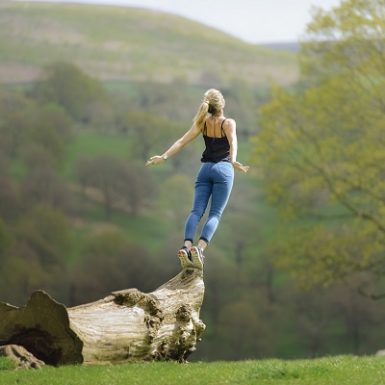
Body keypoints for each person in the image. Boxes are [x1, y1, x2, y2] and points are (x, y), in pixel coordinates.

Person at [146, 88, 249, 269]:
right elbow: (233, 142)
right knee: (215, 214)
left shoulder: (203, 123)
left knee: (196, 211)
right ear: (222, 104)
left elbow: (182, 141)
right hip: (223, 170)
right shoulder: (228, 122)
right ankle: (199, 249)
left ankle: (186, 247)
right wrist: (233, 161)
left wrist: (164, 157)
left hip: (205, 170)